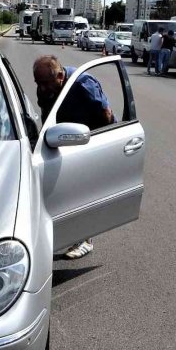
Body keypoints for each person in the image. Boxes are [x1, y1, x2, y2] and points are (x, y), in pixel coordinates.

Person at [33, 55, 114, 259]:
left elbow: (106, 115)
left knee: (82, 192)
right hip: (62, 141)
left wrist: (99, 146)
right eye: (38, 83)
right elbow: (46, 113)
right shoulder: (45, 87)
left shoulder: (83, 84)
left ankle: (85, 239)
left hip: (89, 142)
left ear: (60, 76)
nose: (41, 89)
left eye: (45, 83)